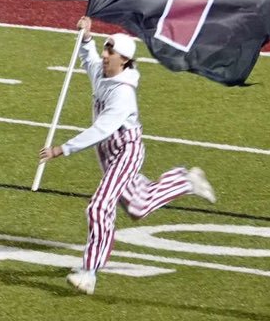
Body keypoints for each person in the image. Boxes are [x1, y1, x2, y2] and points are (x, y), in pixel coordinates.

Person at [39, 17, 217, 295]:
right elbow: (89, 60)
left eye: (110, 51)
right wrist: (86, 37)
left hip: (125, 151)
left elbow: (101, 129)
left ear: (124, 60)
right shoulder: (103, 72)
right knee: (137, 207)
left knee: (99, 207)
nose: (105, 54)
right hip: (108, 153)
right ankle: (184, 181)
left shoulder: (123, 94)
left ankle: (89, 272)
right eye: (106, 48)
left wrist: (62, 149)